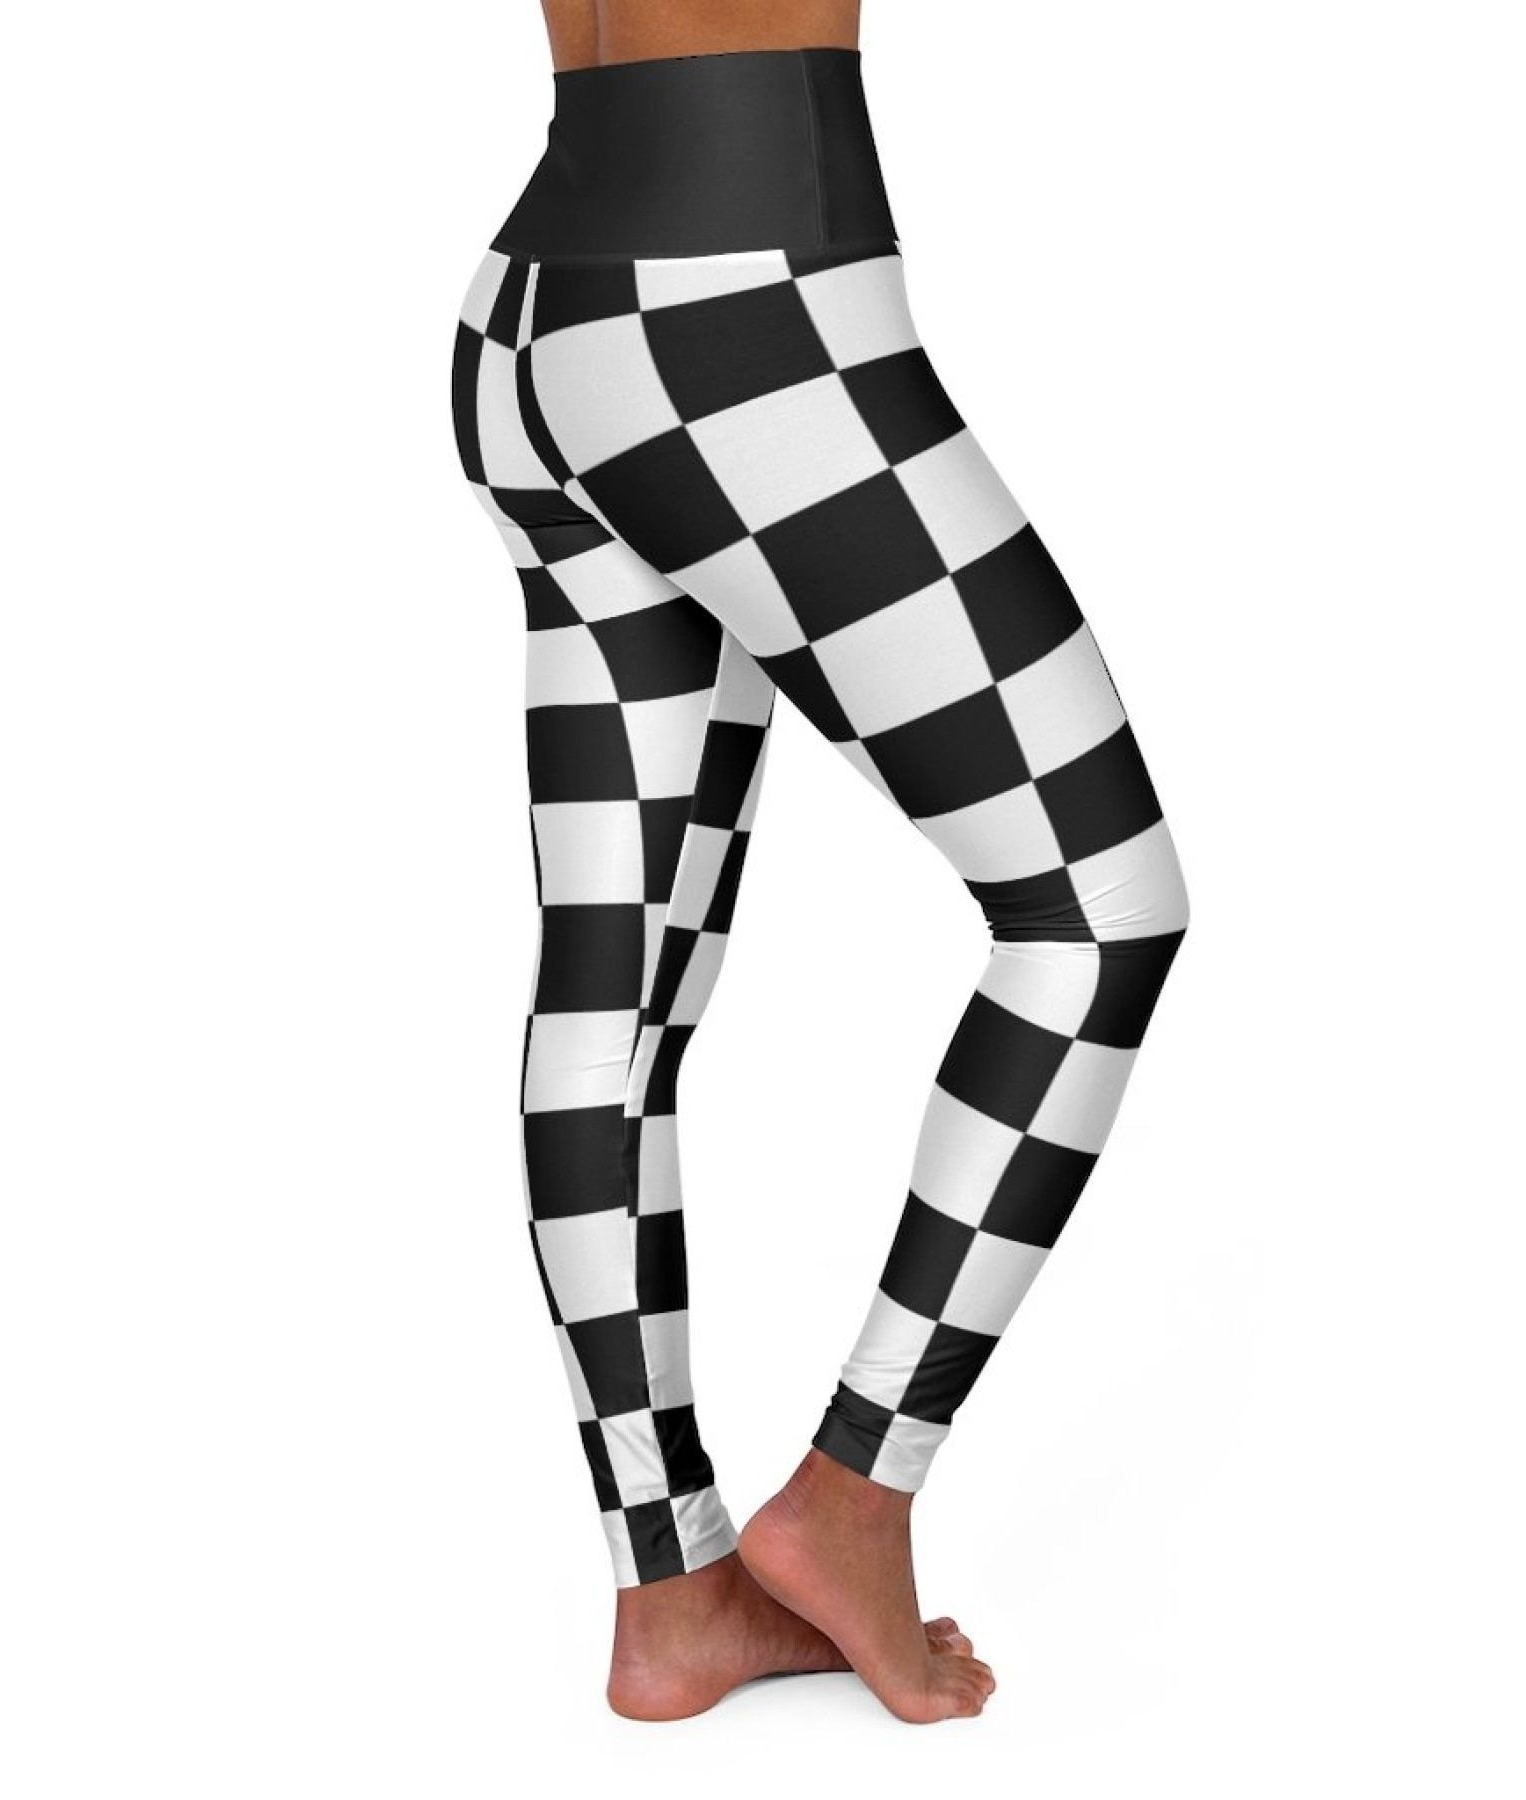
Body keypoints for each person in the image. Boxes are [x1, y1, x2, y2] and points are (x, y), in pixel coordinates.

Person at [450, 0, 1190, 1723]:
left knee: (617, 994)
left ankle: (672, 1598)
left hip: (537, 319)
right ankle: (856, 1489)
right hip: (743, 318)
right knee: (1099, 910)